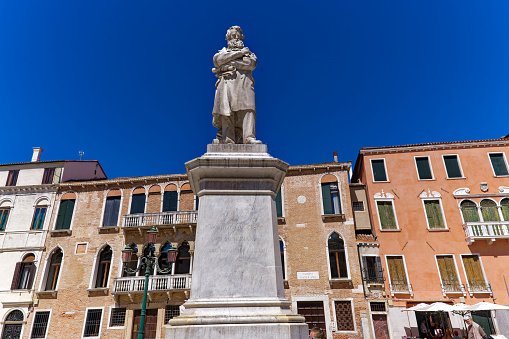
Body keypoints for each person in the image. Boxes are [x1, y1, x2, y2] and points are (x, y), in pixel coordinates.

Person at [212, 26, 262, 145]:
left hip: (244, 82)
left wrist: (229, 63)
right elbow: (218, 61)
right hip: (227, 83)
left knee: (248, 109)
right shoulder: (222, 52)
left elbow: (250, 64)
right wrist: (240, 53)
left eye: (237, 36)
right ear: (228, 38)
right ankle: (228, 140)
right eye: (233, 36)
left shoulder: (249, 54)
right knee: (226, 110)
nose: (235, 38)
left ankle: (249, 138)